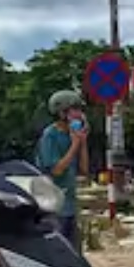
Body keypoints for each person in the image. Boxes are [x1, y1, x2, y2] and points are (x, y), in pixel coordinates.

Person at [35, 90, 90, 250]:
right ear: (62, 113)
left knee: (76, 255)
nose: (79, 114)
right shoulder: (50, 136)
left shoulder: (73, 135)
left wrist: (83, 142)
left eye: (80, 110)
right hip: (53, 207)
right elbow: (56, 170)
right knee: (59, 253)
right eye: (75, 110)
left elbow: (84, 169)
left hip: (70, 205)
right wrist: (74, 145)